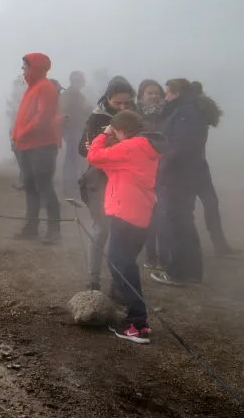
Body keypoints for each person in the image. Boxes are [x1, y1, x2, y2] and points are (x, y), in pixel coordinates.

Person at [86, 110, 164, 344]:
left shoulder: (131, 147)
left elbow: (95, 158)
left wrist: (102, 137)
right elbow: (116, 167)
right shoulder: (143, 147)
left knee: (121, 265)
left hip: (126, 212)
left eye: (114, 130)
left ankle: (137, 324)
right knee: (122, 263)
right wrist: (108, 143)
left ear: (121, 130)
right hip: (138, 211)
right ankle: (137, 320)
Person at [78, 76, 136, 290]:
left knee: (123, 232)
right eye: (117, 103)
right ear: (108, 99)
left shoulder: (135, 117)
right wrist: (108, 147)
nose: (122, 107)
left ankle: (118, 283)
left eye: (127, 103)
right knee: (101, 228)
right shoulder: (96, 118)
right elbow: (82, 148)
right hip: (100, 179)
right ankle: (93, 280)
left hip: (127, 180)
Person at [151, 79, 206, 287]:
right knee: (184, 222)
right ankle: (192, 272)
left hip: (179, 175)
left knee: (178, 222)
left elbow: (180, 146)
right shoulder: (190, 109)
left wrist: (162, 163)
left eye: (167, 93)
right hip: (185, 174)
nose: (165, 97)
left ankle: (178, 273)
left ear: (176, 93)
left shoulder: (186, 113)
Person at [12, 53, 63, 243]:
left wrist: (22, 133)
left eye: (25, 65)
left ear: (35, 67)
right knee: (31, 187)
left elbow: (42, 118)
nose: (22, 68)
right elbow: (26, 115)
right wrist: (17, 136)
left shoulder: (45, 88)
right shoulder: (33, 87)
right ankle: (31, 226)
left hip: (41, 146)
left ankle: (54, 230)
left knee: (44, 187)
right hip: (27, 146)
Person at [191, 81, 237, 256]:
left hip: (195, 165)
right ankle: (218, 244)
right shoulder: (201, 110)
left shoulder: (192, 111)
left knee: (205, 204)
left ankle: (216, 245)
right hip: (194, 166)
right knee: (209, 203)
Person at [137, 79, 167, 270]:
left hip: (164, 167)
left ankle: (163, 255)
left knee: (161, 212)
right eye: (150, 93)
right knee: (148, 212)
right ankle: (150, 254)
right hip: (143, 167)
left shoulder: (168, 113)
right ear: (141, 96)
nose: (155, 96)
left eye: (157, 93)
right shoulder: (135, 115)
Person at [60, 71, 91, 198]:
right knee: (71, 158)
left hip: (76, 128)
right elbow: (63, 111)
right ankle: (69, 186)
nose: (84, 81)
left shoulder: (76, 94)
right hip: (72, 129)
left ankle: (71, 185)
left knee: (74, 158)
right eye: (82, 79)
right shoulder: (69, 94)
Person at [6, 74, 28, 190]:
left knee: (21, 155)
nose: (17, 86)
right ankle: (23, 179)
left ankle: (25, 181)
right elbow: (9, 111)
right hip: (14, 128)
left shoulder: (27, 96)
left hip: (21, 129)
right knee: (19, 154)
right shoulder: (14, 96)